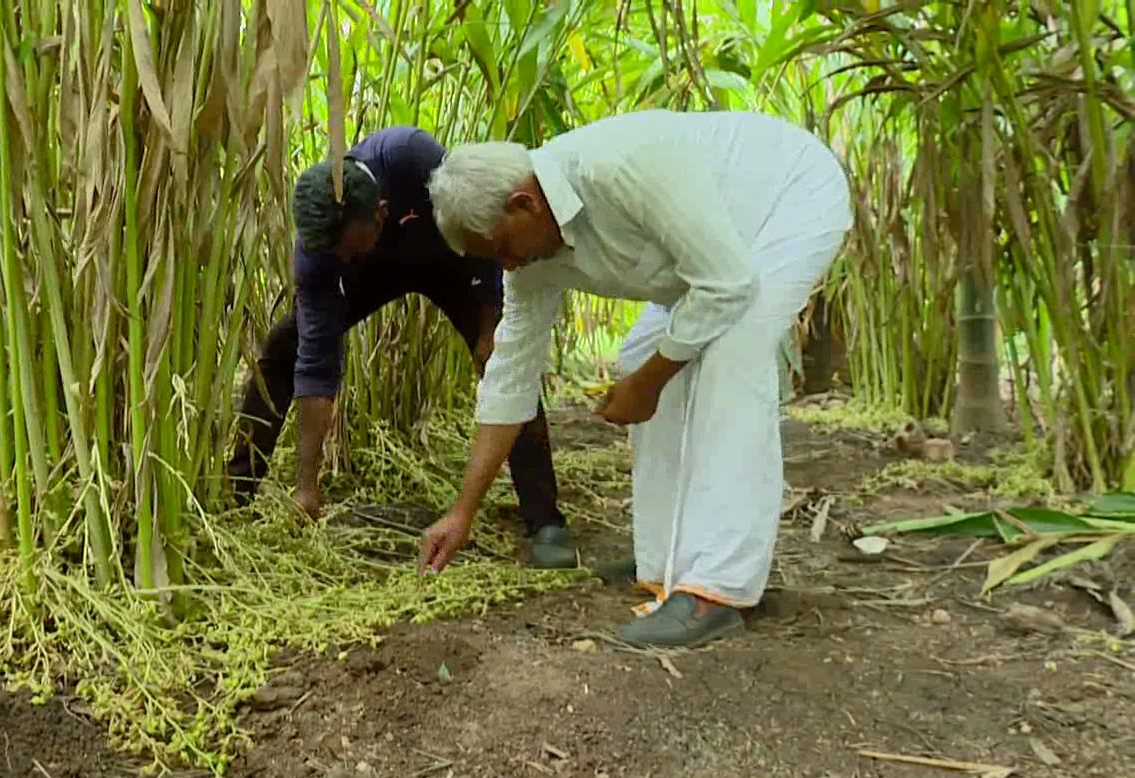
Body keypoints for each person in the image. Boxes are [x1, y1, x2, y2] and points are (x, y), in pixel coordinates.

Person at [417, 109, 852, 647]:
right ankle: (666, 561)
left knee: (732, 354)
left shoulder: (620, 166)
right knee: (642, 352)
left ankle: (716, 588)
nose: (505, 265)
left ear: (524, 203)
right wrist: (462, 512)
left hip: (784, 199)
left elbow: (727, 285)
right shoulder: (529, 257)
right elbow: (510, 377)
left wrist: (649, 384)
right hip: (709, 258)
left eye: (501, 248)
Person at [227, 125, 578, 568]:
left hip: (453, 257)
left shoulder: (411, 156)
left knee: (503, 361)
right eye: (334, 254)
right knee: (282, 352)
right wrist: (306, 485)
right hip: (371, 275)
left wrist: (489, 320)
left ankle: (545, 520)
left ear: (381, 214)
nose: (342, 259)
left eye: (348, 250)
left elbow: (481, 223)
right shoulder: (324, 256)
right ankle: (237, 494)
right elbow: (316, 365)